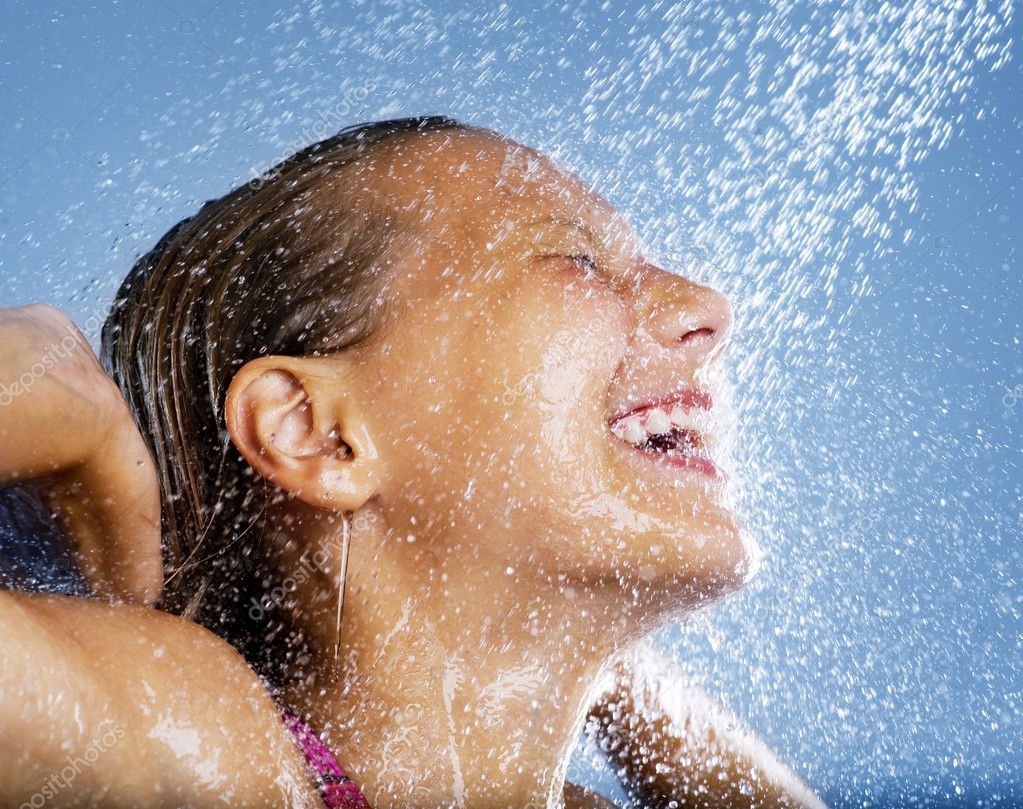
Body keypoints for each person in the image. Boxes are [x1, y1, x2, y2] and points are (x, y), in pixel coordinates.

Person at [0, 116, 824, 808]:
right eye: (578, 260)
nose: (706, 308)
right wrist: (51, 392)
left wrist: (566, 645)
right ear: (316, 432)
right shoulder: (196, 741)